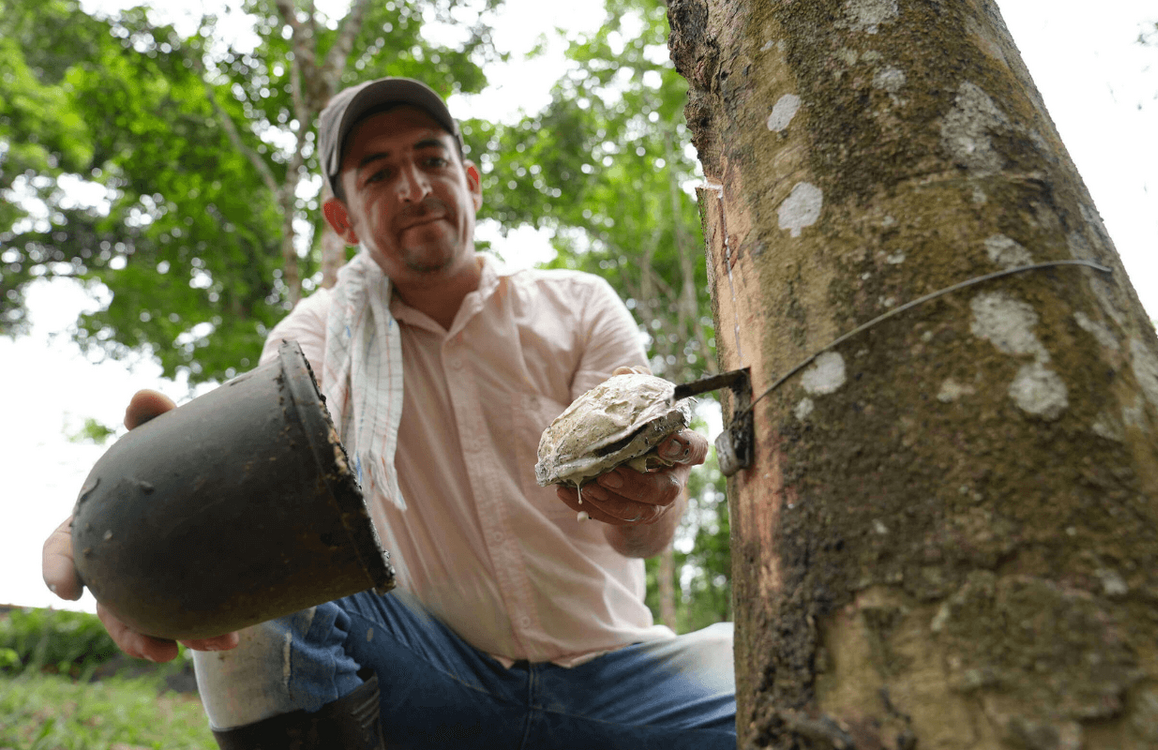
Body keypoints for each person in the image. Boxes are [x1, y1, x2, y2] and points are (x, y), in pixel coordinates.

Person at [42, 77, 736, 749]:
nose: (415, 188)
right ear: (341, 219)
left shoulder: (578, 307)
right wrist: (127, 530)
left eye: (432, 160)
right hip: (434, 675)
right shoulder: (315, 339)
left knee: (792, 685)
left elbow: (645, 535)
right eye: (378, 174)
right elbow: (233, 477)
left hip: (622, 679)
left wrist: (648, 494)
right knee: (260, 549)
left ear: (470, 182)